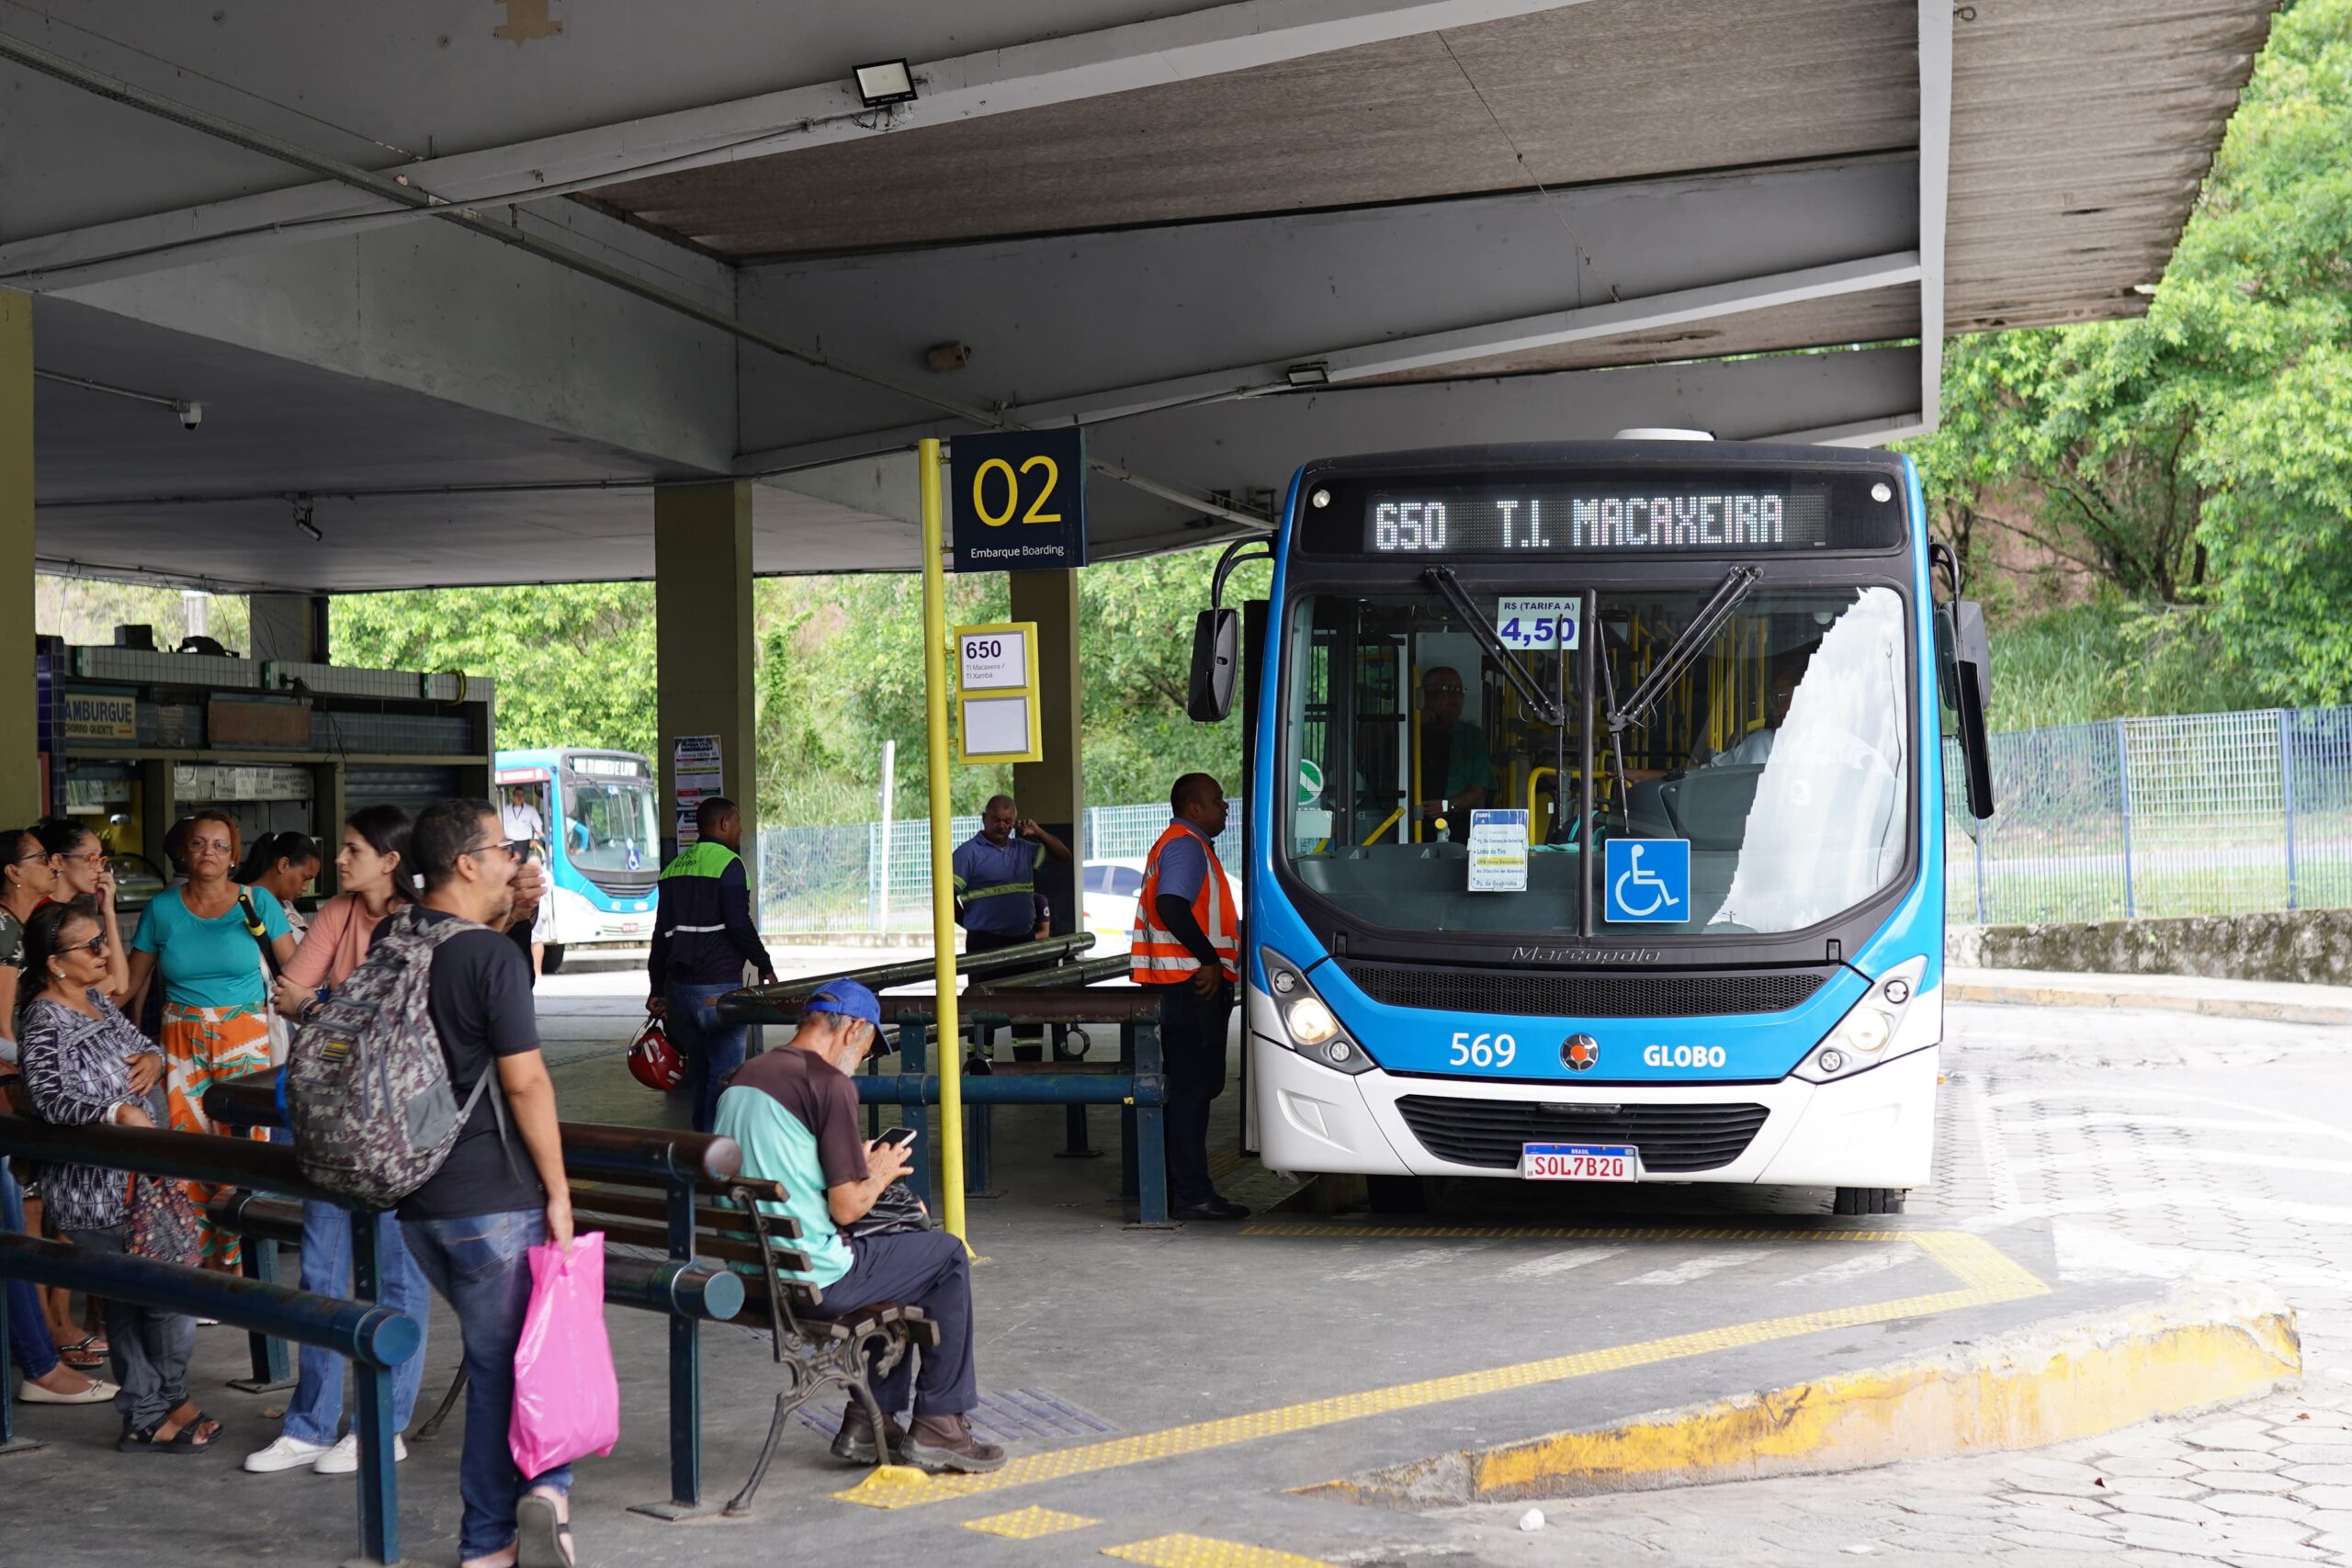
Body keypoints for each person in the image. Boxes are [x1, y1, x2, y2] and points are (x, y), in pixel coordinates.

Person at [713, 979, 1004, 1473]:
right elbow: (848, 1209)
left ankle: (870, 1422)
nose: (867, 1057)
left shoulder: (745, 1075)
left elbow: (782, 1169)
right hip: (813, 1279)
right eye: (871, 1044)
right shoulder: (827, 1083)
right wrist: (882, 1173)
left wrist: (856, 1164)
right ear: (852, 1030)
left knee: (902, 1250)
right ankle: (939, 1421)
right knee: (946, 1254)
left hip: (752, 1273)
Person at [396, 798, 576, 1568]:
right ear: (466, 863)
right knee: (516, 1364)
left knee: (498, 1358)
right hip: (490, 1201)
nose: (517, 860)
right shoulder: (492, 960)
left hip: (414, 1197)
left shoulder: (394, 936)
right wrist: (559, 1192)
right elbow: (527, 1082)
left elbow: (458, 989)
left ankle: (541, 1495)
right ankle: (503, 1529)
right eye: (505, 849)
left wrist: (509, 920)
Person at [244, 806, 434, 1477]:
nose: (340, 858)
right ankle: (310, 1422)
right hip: (330, 1111)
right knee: (322, 1262)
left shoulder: (423, 923)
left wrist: (326, 1009)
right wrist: (343, 1015)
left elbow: (410, 1019)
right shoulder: (338, 913)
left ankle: (384, 1423)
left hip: (398, 1123)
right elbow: (288, 991)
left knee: (393, 1267)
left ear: (391, 858)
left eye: (353, 848)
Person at [18, 898, 220, 1452]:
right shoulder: (44, 1017)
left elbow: (143, 1048)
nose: (106, 951)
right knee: (158, 1296)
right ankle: (168, 1401)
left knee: (140, 1299)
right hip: (94, 1189)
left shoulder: (96, 1002)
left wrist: (153, 1060)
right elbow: (49, 1098)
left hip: (142, 1182)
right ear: (57, 963)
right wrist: (113, 1112)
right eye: (92, 945)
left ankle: (150, 1409)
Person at [123, 808, 298, 1271]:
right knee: (190, 1145)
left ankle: (240, 1263)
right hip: (182, 1038)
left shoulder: (257, 902)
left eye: (221, 846)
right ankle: (199, 1263)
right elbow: (128, 984)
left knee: (244, 1147)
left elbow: (298, 970)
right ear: (184, 850)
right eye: (199, 843)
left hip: (244, 1037)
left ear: (234, 856)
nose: (209, 853)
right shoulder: (161, 909)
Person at [1129, 773, 1249, 1222]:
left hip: (1180, 981)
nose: (1225, 807)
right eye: (1218, 801)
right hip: (1190, 984)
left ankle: (1178, 1185)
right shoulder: (1186, 846)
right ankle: (1193, 1192)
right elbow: (1171, 905)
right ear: (1194, 808)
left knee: (1187, 1088)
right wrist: (1209, 960)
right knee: (1191, 1092)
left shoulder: (1183, 844)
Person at [649, 796, 776, 1135]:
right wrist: (764, 965)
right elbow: (738, 924)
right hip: (718, 988)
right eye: (737, 821)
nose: (741, 829)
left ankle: (701, 1150)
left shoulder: (673, 867)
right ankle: (720, 1157)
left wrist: (656, 988)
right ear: (723, 824)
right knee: (725, 1076)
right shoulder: (729, 865)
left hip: (680, 991)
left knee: (702, 1072)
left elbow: (661, 936)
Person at [949, 795, 1071, 956]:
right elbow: (946, 898)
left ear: (1014, 822)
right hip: (985, 944)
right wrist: (969, 923)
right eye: (996, 820)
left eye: (1008, 821)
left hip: (1023, 940)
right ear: (984, 818)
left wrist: (1039, 832)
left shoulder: (1023, 849)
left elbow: (1063, 856)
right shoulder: (967, 853)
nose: (1002, 826)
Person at [34, 818, 130, 999]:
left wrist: (109, 912)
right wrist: (105, 985)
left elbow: (121, 984)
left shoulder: (74, 912)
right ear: (58, 861)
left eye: (101, 859)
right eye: (90, 858)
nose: (99, 869)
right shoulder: (41, 913)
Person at [1414, 667, 1493, 836]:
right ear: (1425, 695)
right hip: (1409, 816)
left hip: (1456, 819)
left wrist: (1448, 806)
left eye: (1459, 690)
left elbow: (1477, 790)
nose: (1455, 696)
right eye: (1447, 690)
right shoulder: (1408, 730)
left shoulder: (1473, 737)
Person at [235, 830, 322, 934]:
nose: (305, 888)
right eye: (305, 878)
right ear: (283, 865)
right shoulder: (249, 907)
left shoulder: (285, 903)